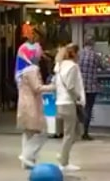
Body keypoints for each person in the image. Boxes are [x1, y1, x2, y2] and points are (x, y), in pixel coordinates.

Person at [15, 41, 54, 169]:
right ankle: (27, 155)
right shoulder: (32, 69)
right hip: (32, 104)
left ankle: (27, 161)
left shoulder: (20, 71)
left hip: (23, 103)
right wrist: (53, 87)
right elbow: (37, 88)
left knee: (28, 132)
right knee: (43, 133)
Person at [54, 43, 85, 172]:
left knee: (76, 132)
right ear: (75, 53)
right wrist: (77, 97)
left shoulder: (59, 66)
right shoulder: (72, 67)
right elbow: (71, 86)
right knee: (69, 134)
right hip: (69, 103)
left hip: (60, 102)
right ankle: (64, 162)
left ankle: (63, 154)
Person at [78, 36, 104, 140]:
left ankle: (79, 129)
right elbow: (103, 67)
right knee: (88, 108)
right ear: (92, 44)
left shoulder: (79, 54)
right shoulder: (95, 55)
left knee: (81, 108)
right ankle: (85, 132)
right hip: (91, 86)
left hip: (80, 86)